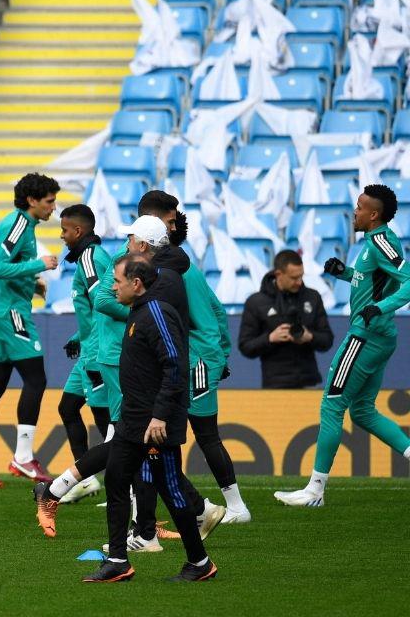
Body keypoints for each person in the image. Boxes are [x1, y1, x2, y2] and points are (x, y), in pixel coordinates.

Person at [34, 217, 219, 543]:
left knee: (127, 447)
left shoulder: (159, 282)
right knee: (135, 449)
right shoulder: (167, 275)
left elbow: (105, 301)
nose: (127, 245)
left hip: (130, 369)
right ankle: (170, 527)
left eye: (131, 239)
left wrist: (136, 317)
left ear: (144, 246)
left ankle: (142, 530)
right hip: (129, 367)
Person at [82, 255, 216, 583]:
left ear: (136, 284)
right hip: (134, 420)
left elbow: (175, 365)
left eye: (117, 280)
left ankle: (200, 563)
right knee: (115, 478)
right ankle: (117, 560)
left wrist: (159, 416)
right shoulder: (138, 313)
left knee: (171, 491)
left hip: (156, 425)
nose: (112, 286)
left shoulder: (156, 314)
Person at [276, 185, 410, 507]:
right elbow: (375, 282)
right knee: (362, 411)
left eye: (361, 206)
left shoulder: (379, 242)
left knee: (332, 405)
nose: (355, 210)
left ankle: (315, 491)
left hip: (364, 335)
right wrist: (346, 274)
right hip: (379, 335)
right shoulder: (374, 242)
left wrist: (381, 308)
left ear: (373, 215)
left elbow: (407, 282)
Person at [132, 191, 248, 524]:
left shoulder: (177, 270)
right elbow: (217, 310)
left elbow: (209, 314)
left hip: (195, 360)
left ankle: (233, 508)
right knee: (185, 434)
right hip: (195, 358)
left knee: (196, 433)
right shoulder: (177, 266)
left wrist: (214, 357)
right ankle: (180, 507)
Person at [0, 173, 61, 488]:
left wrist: (31, 285)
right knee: (36, 378)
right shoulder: (18, 224)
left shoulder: (23, 226)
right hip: (9, 314)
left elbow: (6, 269)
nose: (53, 208)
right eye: (49, 201)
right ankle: (23, 456)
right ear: (32, 200)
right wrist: (39, 265)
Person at [57, 204, 112, 504]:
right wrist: (78, 336)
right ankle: (86, 479)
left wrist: (94, 346)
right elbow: (96, 307)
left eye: (65, 230)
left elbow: (103, 302)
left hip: (97, 356)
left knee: (108, 426)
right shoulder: (87, 259)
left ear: (78, 231)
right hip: (88, 351)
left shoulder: (90, 258)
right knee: (67, 407)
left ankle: (128, 491)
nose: (62, 236)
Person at [238, 249, 333, 389]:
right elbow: (245, 346)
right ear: (278, 274)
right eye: (294, 278)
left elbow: (327, 340)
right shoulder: (256, 302)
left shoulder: (312, 297)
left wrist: (310, 337)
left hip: (309, 383)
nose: (299, 282)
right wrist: (270, 338)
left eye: (301, 276)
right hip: (275, 385)